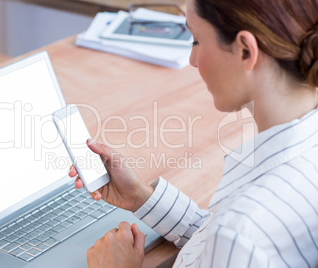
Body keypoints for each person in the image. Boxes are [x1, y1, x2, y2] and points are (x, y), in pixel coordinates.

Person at [69, 0, 318, 266]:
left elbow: (231, 240)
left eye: (196, 40)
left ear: (245, 50)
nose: (192, 60)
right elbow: (214, 243)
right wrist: (139, 196)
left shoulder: (242, 230)